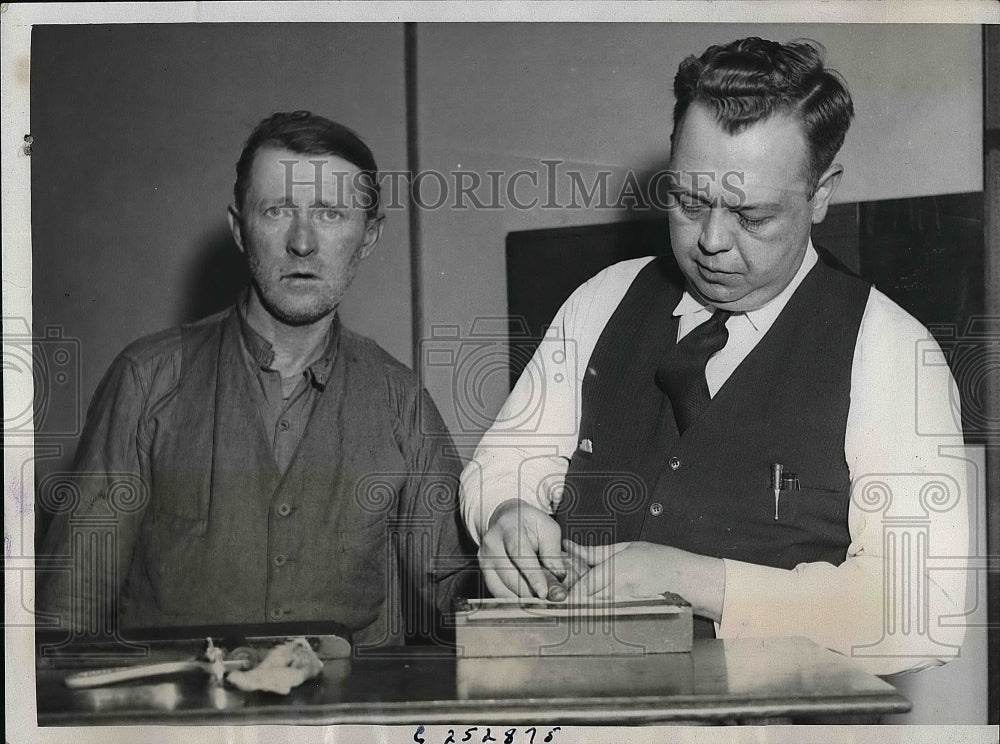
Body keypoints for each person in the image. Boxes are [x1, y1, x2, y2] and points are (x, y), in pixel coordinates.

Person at [460, 38, 969, 675]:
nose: (711, 242)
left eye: (751, 215)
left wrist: (697, 580)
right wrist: (507, 510)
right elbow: (503, 461)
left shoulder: (892, 351)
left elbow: (926, 611)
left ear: (820, 195)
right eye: (689, 202)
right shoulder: (603, 301)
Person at [39, 111, 474, 647]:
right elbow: (67, 614)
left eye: (331, 215)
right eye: (276, 211)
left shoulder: (400, 401)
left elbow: (462, 600)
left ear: (368, 238)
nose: (303, 243)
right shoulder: (146, 380)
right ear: (240, 230)